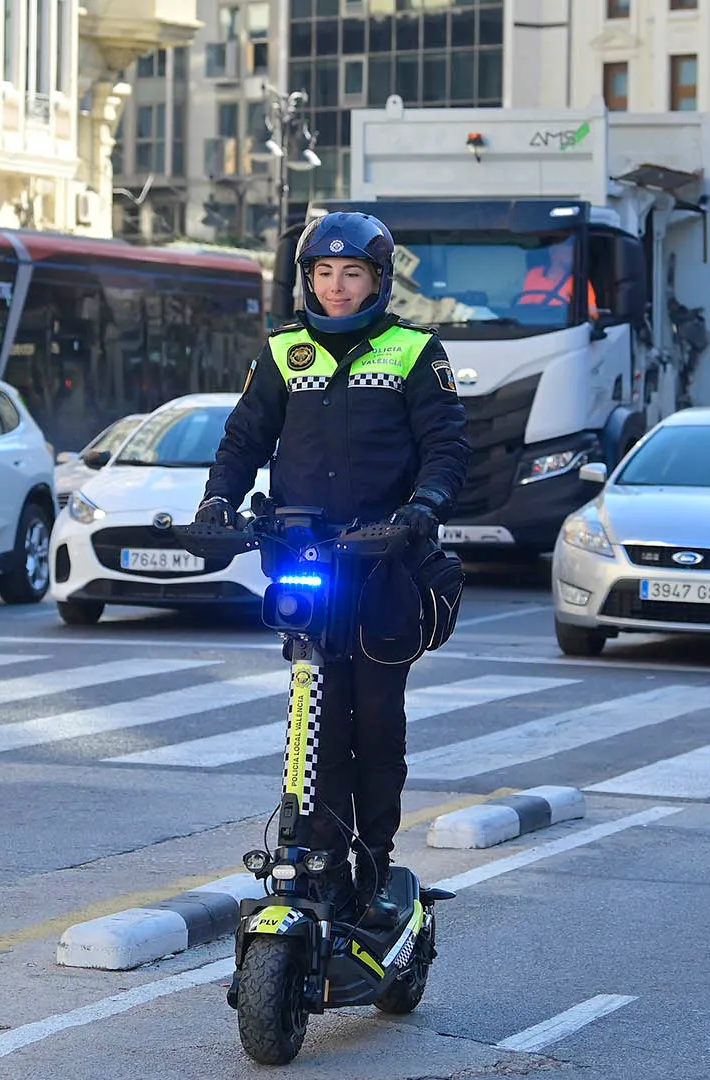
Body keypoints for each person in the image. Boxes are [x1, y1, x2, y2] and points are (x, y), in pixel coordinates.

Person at [197, 211, 469, 922]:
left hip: (384, 567)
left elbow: (447, 447)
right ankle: (318, 860)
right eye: (324, 273)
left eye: (352, 273)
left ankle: (376, 862)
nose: (338, 287)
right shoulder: (285, 351)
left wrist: (423, 506)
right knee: (316, 720)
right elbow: (244, 437)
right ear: (308, 279)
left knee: (376, 720)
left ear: (377, 279)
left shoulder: (415, 351)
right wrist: (218, 499)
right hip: (306, 560)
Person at [515, 241, 598, 314]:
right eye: (565, 252)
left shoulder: (579, 281)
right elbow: (523, 307)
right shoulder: (533, 274)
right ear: (553, 252)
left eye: (571, 252)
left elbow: (591, 314)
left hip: (564, 329)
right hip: (532, 326)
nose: (569, 257)